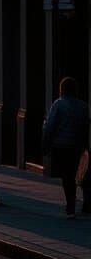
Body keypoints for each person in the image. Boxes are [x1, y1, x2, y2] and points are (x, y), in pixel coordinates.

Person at [43, 76, 91, 218]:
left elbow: (50, 126)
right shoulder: (83, 106)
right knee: (74, 173)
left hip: (61, 145)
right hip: (77, 146)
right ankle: (74, 202)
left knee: (67, 176)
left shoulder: (58, 104)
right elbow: (85, 127)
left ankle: (70, 205)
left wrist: (46, 143)